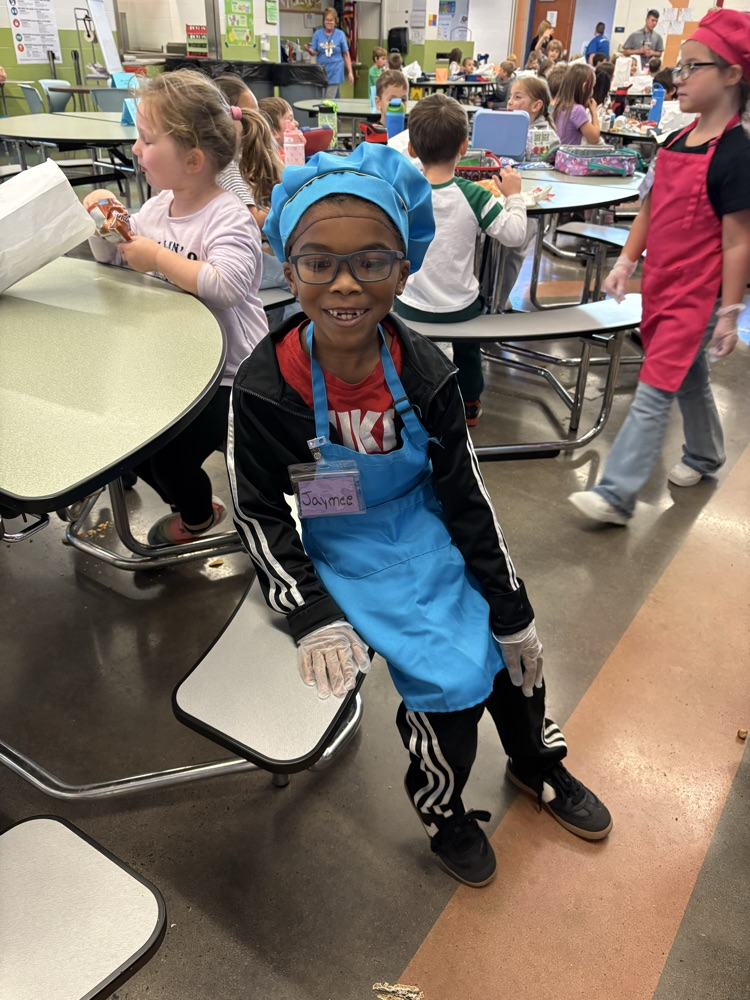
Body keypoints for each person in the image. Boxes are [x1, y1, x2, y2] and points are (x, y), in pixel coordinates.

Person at [229, 141, 612, 887]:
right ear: (288, 262)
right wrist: (310, 612)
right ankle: (443, 811)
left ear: (405, 268)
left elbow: (466, 497)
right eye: (318, 261)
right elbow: (256, 513)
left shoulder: (423, 371)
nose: (345, 283)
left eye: (372, 261)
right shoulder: (265, 385)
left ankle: (538, 764)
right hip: (344, 549)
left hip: (425, 526)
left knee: (513, 660)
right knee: (446, 697)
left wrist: (512, 607)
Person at [569, 8, 750, 525]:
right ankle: (707, 454)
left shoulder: (736, 155)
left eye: (694, 67)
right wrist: (627, 261)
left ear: (733, 74)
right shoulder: (672, 141)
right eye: (680, 66)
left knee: (654, 388)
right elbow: (651, 207)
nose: (678, 77)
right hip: (662, 285)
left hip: (699, 295)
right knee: (687, 377)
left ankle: (616, 495)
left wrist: (729, 310)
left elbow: (738, 241)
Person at [83, 70, 268, 544]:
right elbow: (114, 259)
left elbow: (227, 285)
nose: (137, 151)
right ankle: (187, 498)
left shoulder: (228, 215)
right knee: (134, 447)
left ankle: (198, 515)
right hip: (175, 364)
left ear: (193, 159)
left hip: (229, 376)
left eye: (147, 140)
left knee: (168, 457)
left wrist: (158, 257)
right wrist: (104, 224)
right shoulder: (157, 207)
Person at [393, 94, 527, 425]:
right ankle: (468, 404)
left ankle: (411, 398)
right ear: (464, 146)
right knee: (468, 349)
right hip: (460, 309)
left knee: (407, 349)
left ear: (411, 149)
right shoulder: (475, 194)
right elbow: (515, 234)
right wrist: (514, 196)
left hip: (410, 306)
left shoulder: (400, 195)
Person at [305, 6, 353, 98]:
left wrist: (350, 72)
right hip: (322, 71)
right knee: (335, 98)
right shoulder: (317, 34)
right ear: (323, 21)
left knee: (327, 99)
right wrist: (308, 49)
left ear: (335, 21)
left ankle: (326, 112)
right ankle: (337, 112)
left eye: (331, 20)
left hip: (336, 70)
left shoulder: (340, 34)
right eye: (327, 20)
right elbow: (314, 52)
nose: (329, 22)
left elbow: (346, 54)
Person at [552, 62, 600, 144]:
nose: (592, 92)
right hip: (568, 156)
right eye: (592, 88)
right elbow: (594, 138)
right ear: (584, 87)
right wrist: (594, 112)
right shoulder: (577, 110)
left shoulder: (559, 105)